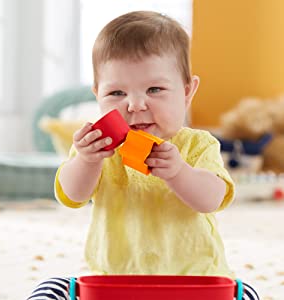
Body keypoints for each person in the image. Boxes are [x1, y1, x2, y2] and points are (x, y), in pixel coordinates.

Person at [27, 10, 259, 300]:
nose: (135, 105)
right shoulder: (98, 148)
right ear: (98, 95)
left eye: (154, 89)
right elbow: (72, 196)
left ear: (187, 93)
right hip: (113, 284)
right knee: (51, 288)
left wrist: (179, 172)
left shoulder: (199, 145)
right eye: (116, 94)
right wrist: (87, 160)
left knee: (246, 291)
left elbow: (210, 200)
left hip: (193, 283)